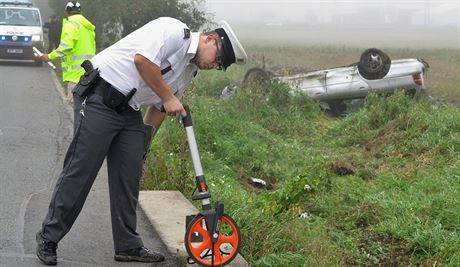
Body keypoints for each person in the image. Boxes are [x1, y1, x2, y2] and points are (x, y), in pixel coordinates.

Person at [35, 17, 247, 266]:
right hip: (100, 96)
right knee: (81, 171)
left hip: (129, 110)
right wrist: (168, 97)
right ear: (210, 38)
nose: (215, 65)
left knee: (129, 175)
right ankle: (49, 237)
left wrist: (144, 144)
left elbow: (159, 108)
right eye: (218, 58)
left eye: (220, 66)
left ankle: (127, 245)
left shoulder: (190, 71)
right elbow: (143, 62)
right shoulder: (174, 31)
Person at [40, 1, 96, 104]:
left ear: (66, 12)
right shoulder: (88, 27)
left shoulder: (70, 24)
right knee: (85, 108)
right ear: (80, 12)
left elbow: (66, 46)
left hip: (76, 75)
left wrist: (49, 56)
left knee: (73, 106)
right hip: (89, 73)